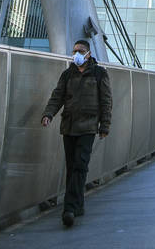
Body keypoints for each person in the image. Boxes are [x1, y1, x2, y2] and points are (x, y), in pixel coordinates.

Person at [41, 38, 111, 228]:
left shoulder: (99, 74)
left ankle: (69, 209)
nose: (76, 55)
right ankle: (78, 205)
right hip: (69, 126)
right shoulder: (67, 74)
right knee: (73, 167)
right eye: (74, 52)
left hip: (88, 127)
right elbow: (58, 96)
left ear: (88, 53)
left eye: (80, 51)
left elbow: (106, 101)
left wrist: (105, 126)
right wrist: (48, 114)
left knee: (80, 165)